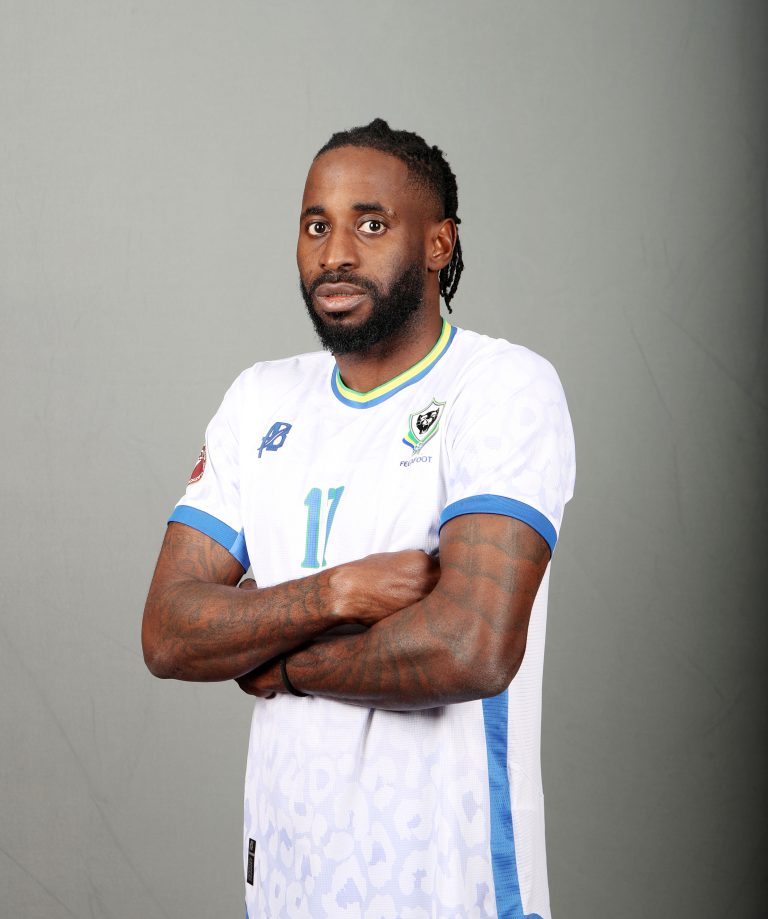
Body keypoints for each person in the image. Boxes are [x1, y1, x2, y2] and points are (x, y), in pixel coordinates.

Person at [142, 118, 575, 919]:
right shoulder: (259, 398)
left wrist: (287, 666)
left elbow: (469, 645)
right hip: (285, 889)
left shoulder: (502, 387)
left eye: (370, 224)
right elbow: (169, 629)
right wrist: (336, 591)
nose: (335, 252)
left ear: (440, 243)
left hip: (449, 893)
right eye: (317, 225)